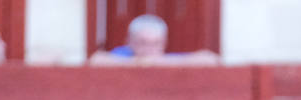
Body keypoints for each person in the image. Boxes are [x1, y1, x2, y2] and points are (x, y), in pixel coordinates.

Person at [89, 13, 219, 65]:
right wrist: (139, 63)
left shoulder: (167, 58)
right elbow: (96, 60)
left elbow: (210, 59)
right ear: (129, 41)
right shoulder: (122, 54)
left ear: (164, 43)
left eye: (156, 43)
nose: (149, 49)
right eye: (143, 43)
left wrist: (159, 62)